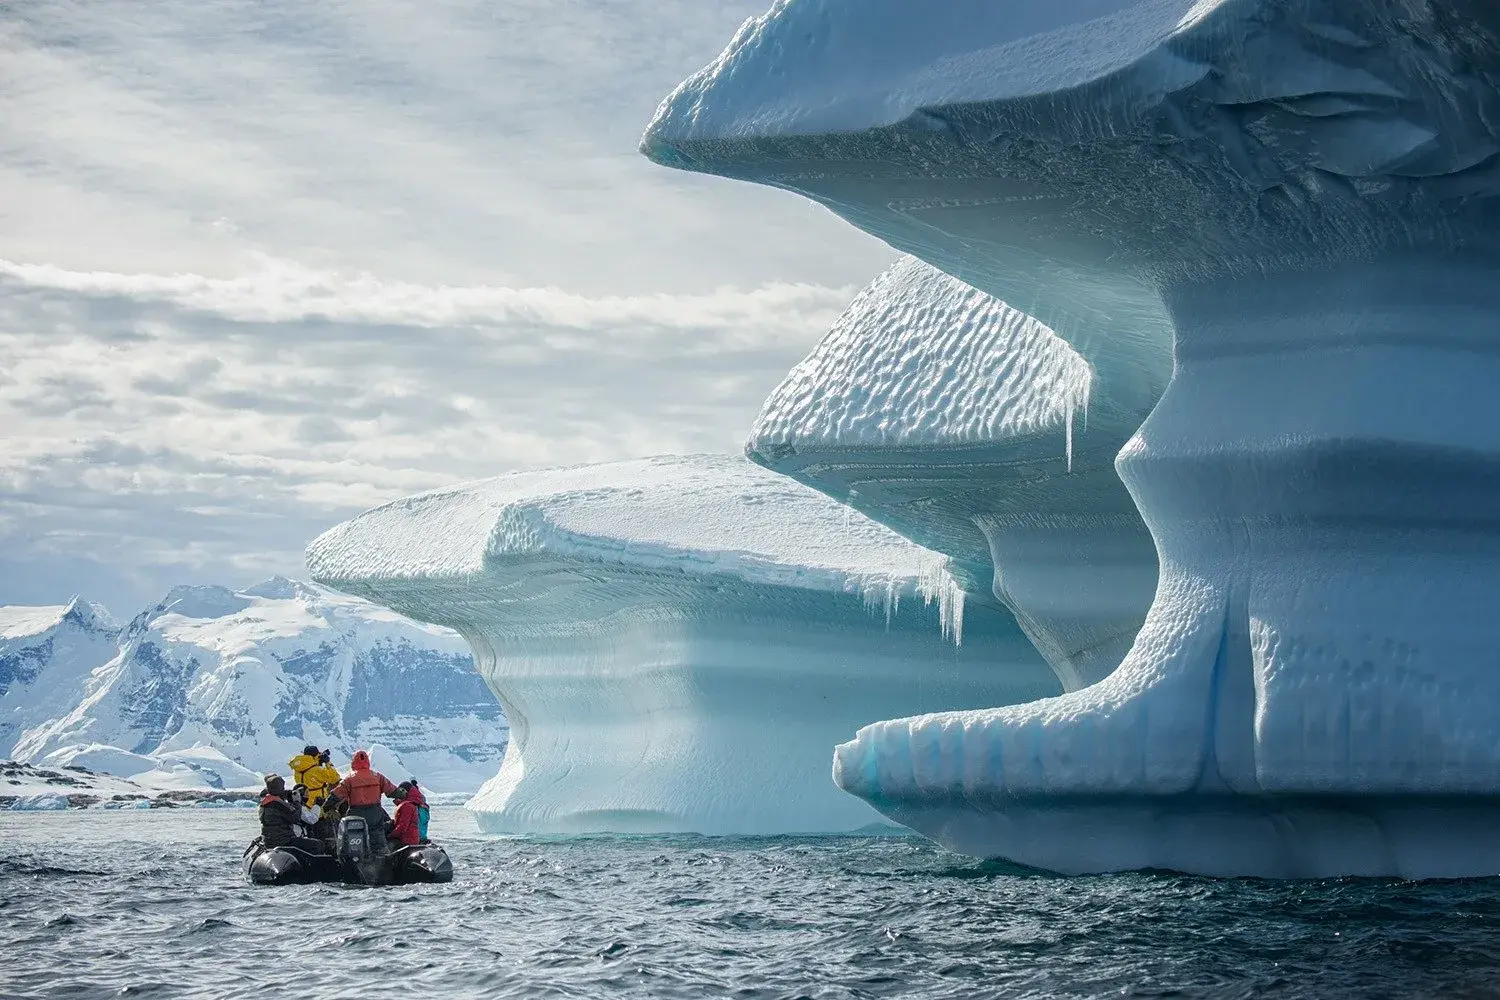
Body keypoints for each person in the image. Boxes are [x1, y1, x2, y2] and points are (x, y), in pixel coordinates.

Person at [330, 749, 398, 848]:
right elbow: (393, 791)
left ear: (354, 762)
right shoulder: (378, 776)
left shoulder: (350, 779)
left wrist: (327, 805)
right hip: (375, 813)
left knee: (354, 839)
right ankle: (381, 859)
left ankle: (354, 860)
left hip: (356, 813)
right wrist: (405, 795)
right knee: (378, 839)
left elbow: (336, 794)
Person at [258, 774, 326, 855]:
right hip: (283, 841)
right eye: (282, 787)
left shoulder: (266, 801)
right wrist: (297, 802)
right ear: (279, 788)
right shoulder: (278, 804)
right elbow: (295, 818)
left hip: (270, 840)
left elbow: (281, 795)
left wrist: (292, 793)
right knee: (318, 844)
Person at [389, 784, 420, 850]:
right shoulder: (410, 804)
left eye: (401, 791)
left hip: (406, 841)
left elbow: (402, 826)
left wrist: (390, 835)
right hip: (411, 839)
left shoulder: (407, 806)